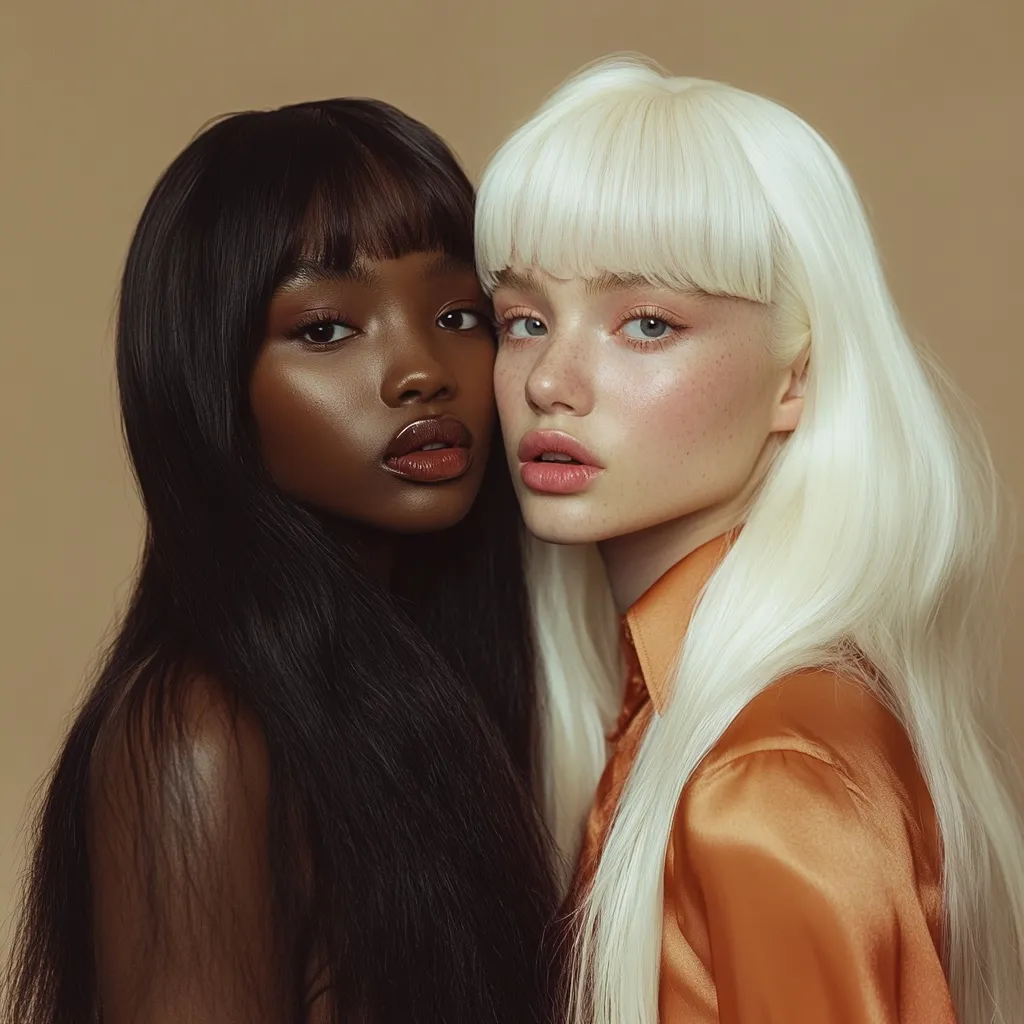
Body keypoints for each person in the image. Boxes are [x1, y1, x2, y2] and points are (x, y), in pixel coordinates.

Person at [475, 54, 1024, 1024]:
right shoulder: (681, 719)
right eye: (521, 319)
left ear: (795, 379)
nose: (550, 379)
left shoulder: (762, 774)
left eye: (644, 323)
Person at [5, 98, 560, 1024]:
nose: (421, 369)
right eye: (327, 330)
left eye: (461, 313)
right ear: (211, 382)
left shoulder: (436, 694)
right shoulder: (202, 738)